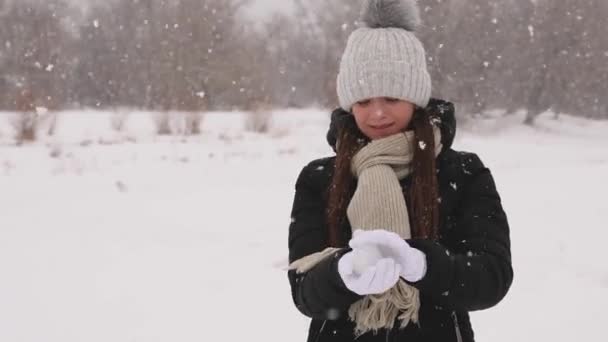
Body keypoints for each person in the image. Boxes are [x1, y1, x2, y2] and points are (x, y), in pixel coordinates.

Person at [286, 0, 513, 341]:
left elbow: (491, 277)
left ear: (415, 98)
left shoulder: (463, 173)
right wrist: (343, 272)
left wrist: (425, 265)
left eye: (391, 98)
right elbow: (304, 290)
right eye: (363, 101)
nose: (377, 114)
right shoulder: (320, 178)